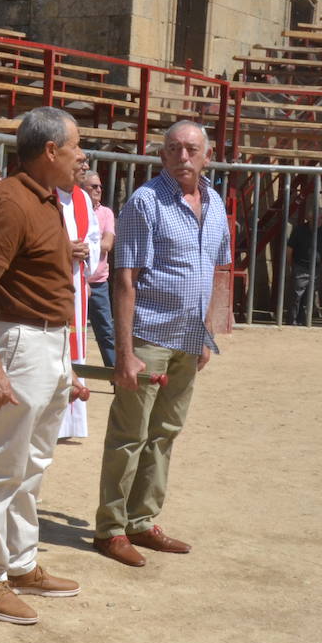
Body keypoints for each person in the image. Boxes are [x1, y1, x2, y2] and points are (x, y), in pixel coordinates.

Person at [0, 107, 86, 626]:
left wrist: (65, 362)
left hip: (49, 343)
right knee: (3, 466)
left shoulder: (47, 199)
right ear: (50, 151)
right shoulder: (9, 202)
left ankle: (21, 562)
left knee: (33, 463)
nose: (83, 156)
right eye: (76, 146)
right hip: (22, 342)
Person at [93, 121, 231, 568]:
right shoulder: (144, 202)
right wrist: (125, 351)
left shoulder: (214, 203)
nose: (182, 156)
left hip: (188, 340)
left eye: (191, 149)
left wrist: (207, 334)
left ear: (207, 156)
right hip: (148, 336)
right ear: (162, 156)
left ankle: (142, 520)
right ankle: (111, 529)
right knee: (129, 435)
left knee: (164, 435)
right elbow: (125, 280)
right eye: (173, 149)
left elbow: (215, 272)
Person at [56, 164, 100, 442]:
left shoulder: (82, 198)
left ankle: (69, 425)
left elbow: (93, 236)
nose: (84, 165)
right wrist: (64, 248)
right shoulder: (43, 192)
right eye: (78, 157)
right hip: (49, 283)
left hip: (75, 283)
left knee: (74, 352)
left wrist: (87, 250)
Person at [82, 169, 116, 366]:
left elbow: (107, 244)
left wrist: (82, 246)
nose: (98, 190)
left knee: (106, 332)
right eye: (94, 186)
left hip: (98, 282)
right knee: (71, 332)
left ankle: (115, 377)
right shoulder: (74, 210)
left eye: (100, 186)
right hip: (78, 281)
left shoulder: (106, 213)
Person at [285, 201, 322, 326]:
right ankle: (292, 321)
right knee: (296, 296)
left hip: (315, 269)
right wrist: (292, 266)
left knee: (309, 297)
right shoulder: (299, 230)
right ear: (310, 218)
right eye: (316, 218)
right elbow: (289, 250)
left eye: (320, 218)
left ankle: (302, 321)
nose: (318, 220)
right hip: (300, 267)